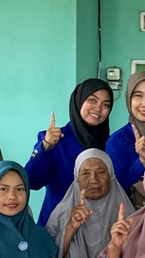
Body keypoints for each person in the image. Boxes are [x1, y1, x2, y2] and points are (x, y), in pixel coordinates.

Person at [26, 79, 124, 226]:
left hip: (98, 228)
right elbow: (31, 181)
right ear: (79, 101)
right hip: (58, 225)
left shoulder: (111, 144)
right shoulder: (56, 140)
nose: (98, 108)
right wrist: (45, 146)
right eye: (92, 100)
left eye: (106, 105)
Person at [45, 149, 135, 258]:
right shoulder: (63, 214)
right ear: (77, 178)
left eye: (101, 172)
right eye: (85, 173)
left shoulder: (128, 214)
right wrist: (70, 228)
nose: (93, 179)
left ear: (111, 176)